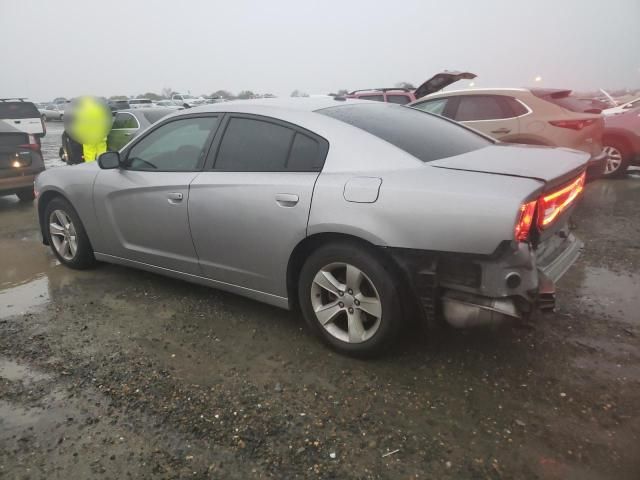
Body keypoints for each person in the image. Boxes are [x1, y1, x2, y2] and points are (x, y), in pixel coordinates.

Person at [63, 96, 112, 163]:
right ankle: (103, 166)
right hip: (101, 137)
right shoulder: (99, 109)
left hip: (89, 138)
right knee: (102, 154)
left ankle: (91, 169)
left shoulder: (81, 112)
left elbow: (79, 126)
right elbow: (106, 122)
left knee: (89, 156)